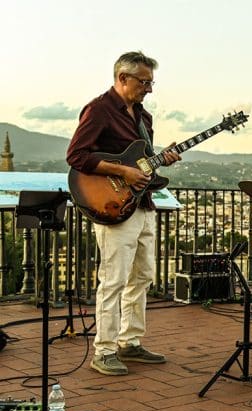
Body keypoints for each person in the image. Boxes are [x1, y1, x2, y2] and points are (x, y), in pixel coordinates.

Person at [67, 51, 181, 375]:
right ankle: (103, 350)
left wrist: (162, 160)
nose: (149, 89)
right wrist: (124, 173)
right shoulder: (99, 109)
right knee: (113, 280)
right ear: (123, 78)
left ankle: (130, 342)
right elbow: (76, 156)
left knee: (143, 275)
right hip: (111, 204)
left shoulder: (144, 118)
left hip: (142, 204)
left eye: (151, 82)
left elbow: (142, 162)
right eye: (144, 82)